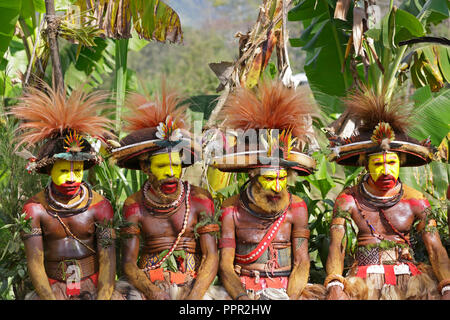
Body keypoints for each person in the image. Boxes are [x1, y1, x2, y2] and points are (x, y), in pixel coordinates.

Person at [324, 89, 450, 300]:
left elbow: (435, 248)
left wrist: (447, 285)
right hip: (363, 282)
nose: (386, 170)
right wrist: (335, 281)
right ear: (365, 165)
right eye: (378, 164)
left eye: (391, 163)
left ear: (400, 162)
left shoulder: (416, 200)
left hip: (410, 282)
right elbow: (337, 245)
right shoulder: (349, 200)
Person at [211, 81, 325, 300]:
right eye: (270, 178)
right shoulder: (231, 210)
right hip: (243, 292)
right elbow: (225, 265)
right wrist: (243, 299)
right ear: (253, 176)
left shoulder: (297, 207)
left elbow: (302, 262)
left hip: (286, 291)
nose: (277, 187)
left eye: (283, 178)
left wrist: (288, 298)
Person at [111, 84, 219, 300]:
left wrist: (195, 295)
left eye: (176, 166)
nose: (171, 173)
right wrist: (152, 292)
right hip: (150, 284)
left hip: (192, 283)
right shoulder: (134, 205)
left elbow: (211, 256)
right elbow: (129, 263)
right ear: (145, 168)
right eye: (161, 166)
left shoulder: (199, 199)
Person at [12, 84, 120, 300]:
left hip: (95, 285)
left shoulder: (100, 206)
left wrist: (104, 296)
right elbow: (35, 263)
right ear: (49, 169)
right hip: (51, 289)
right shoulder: (34, 210)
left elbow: (108, 261)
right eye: (63, 170)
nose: (72, 177)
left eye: (78, 170)